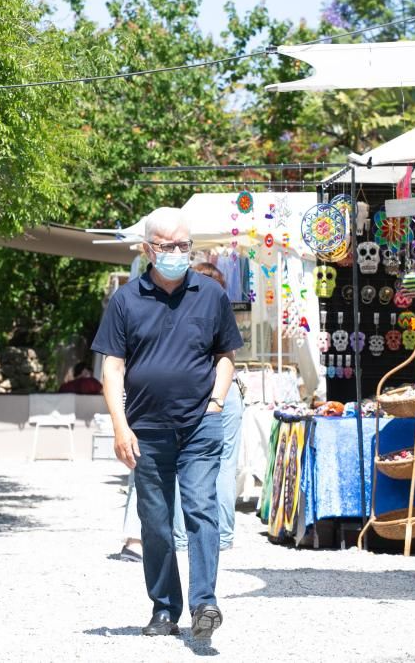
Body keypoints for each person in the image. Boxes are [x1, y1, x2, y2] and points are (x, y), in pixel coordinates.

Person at [91, 207, 243, 640]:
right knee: (155, 521)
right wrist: (120, 426)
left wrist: (215, 404)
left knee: (200, 509)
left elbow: (226, 357)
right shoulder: (125, 300)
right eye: (168, 246)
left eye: (183, 245)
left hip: (199, 424)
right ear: (148, 249)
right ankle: (163, 608)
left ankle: (204, 603)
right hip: (147, 429)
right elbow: (113, 368)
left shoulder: (210, 295)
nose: (178, 252)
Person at [191, 262, 245, 551]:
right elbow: (230, 355)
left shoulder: (186, 312)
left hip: (197, 392)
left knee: (183, 467)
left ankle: (184, 536)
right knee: (225, 466)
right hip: (227, 393)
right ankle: (223, 536)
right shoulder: (222, 310)